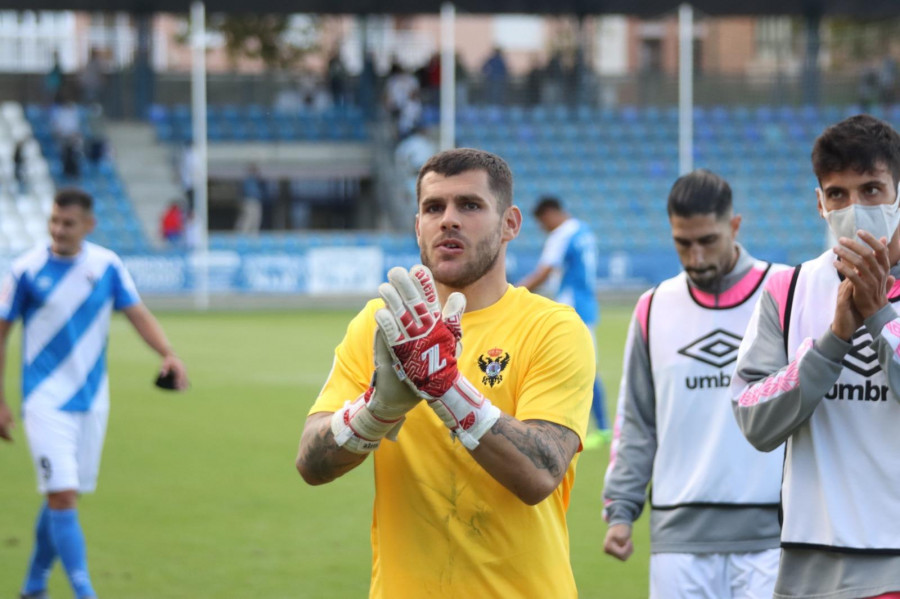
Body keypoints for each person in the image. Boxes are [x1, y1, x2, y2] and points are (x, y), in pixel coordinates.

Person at [295, 148, 594, 598]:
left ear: (510, 223)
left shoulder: (552, 327)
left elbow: (540, 474)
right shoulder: (382, 326)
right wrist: (376, 411)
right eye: (433, 207)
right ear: (418, 226)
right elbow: (310, 464)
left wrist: (445, 387)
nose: (448, 220)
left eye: (469, 205)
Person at [732, 114, 900, 599]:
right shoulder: (787, 291)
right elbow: (752, 419)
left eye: (872, 191)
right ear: (819, 204)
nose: (855, 208)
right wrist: (832, 341)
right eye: (838, 195)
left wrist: (878, 314)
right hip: (809, 562)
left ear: (898, 195)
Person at [603, 169, 787, 598]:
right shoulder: (653, 306)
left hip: (772, 536)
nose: (696, 257)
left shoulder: (783, 292)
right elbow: (636, 421)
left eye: (708, 241)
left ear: (734, 226)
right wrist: (621, 510)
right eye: (683, 244)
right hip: (678, 541)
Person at [0, 188, 189, 599]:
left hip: (92, 401)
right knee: (63, 495)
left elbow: (137, 313)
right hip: (43, 401)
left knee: (63, 495)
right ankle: (86, 593)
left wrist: (168, 354)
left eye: (68, 223)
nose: (58, 230)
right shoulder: (25, 270)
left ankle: (33, 586)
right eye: (53, 221)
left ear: (88, 225)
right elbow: (0, 334)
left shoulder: (106, 266)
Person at [518, 196, 610, 445]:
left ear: (549, 214)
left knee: (581, 369)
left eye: (542, 223)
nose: (544, 229)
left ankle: (599, 428)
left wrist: (514, 293)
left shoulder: (561, 234)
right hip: (586, 304)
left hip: (572, 307)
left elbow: (544, 271)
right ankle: (599, 427)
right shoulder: (584, 230)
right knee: (584, 366)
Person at [235, 164, 266, 234]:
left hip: (256, 201)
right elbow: (248, 192)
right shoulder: (248, 180)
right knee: (248, 218)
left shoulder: (257, 180)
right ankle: (242, 234)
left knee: (256, 219)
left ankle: (253, 235)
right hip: (249, 201)